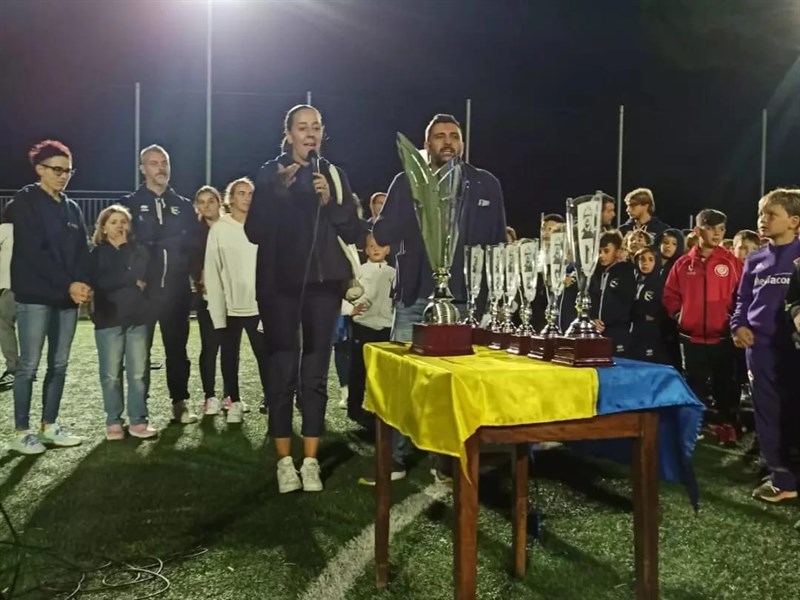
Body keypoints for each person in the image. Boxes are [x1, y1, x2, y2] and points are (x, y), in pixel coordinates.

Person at [371, 113, 507, 482]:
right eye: (439, 136)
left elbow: (496, 244)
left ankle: (447, 457)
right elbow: (383, 232)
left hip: (464, 298)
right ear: (426, 144)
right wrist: (412, 201)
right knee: (402, 379)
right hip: (415, 295)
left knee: (455, 384)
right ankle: (396, 458)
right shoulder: (405, 181)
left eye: (454, 136)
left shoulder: (485, 184)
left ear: (462, 143)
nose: (448, 142)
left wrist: (491, 296)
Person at [245, 104, 362, 493]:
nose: (309, 134)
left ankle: (310, 460)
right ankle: (284, 461)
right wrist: (277, 192)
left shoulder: (332, 173)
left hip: (324, 285)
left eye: (315, 127)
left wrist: (331, 201)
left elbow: (353, 227)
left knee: (315, 373)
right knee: (282, 371)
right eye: (302, 127)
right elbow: (255, 231)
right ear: (289, 134)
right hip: (279, 286)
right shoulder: (269, 172)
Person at [5, 140, 90, 454]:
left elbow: (82, 250)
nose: (64, 175)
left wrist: (81, 282)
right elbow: (32, 251)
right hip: (35, 295)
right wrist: (69, 284)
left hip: (66, 297)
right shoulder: (25, 201)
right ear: (39, 169)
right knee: (29, 365)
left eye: (68, 170)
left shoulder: (72, 206)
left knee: (60, 364)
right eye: (57, 169)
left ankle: (49, 425)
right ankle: (22, 431)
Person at [121, 145, 199, 424]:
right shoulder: (129, 203)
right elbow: (123, 246)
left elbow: (194, 244)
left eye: (164, 162)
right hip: (143, 294)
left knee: (177, 352)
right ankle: (138, 410)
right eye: (153, 163)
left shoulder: (183, 205)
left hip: (176, 293)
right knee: (138, 354)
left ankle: (180, 403)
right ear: (143, 169)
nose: (161, 168)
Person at [733, 189, 800, 502]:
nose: (763, 219)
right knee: (768, 412)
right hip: (760, 348)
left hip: (794, 347)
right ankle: (782, 479)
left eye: (771, 214)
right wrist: (739, 324)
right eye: (761, 213)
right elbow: (743, 299)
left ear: (794, 221)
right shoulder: (756, 258)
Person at [663, 209, 742, 437]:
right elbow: (670, 295)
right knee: (693, 385)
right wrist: (680, 316)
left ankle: (727, 426)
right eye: (711, 227)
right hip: (691, 338)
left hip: (723, 338)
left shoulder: (732, 263)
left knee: (724, 386)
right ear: (698, 230)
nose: (717, 233)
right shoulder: (682, 264)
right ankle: (691, 427)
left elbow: (743, 296)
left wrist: (732, 320)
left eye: (721, 229)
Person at [89, 205, 156, 441]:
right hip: (108, 319)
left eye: (124, 221)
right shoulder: (96, 254)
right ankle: (113, 422)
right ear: (104, 228)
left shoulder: (138, 250)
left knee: (138, 374)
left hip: (138, 318)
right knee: (110, 375)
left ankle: (138, 420)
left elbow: (142, 271)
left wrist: (127, 265)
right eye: (114, 221)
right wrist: (129, 279)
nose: (119, 226)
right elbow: (102, 281)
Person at [204, 177, 268, 425]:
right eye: (241, 193)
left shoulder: (263, 226)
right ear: (231, 199)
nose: (246, 197)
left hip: (259, 305)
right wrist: (217, 309)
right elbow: (212, 269)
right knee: (229, 357)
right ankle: (235, 402)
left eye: (250, 193)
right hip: (231, 307)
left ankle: (271, 397)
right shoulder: (220, 228)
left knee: (265, 355)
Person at [345, 234, 395, 430]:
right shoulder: (359, 270)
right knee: (359, 368)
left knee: (382, 371)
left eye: (380, 246)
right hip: (363, 327)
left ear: (388, 249)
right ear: (366, 250)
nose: (375, 249)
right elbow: (350, 291)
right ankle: (355, 408)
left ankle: (379, 408)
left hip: (385, 328)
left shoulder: (393, 272)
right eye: (371, 246)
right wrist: (354, 308)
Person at [589, 230, 635, 356]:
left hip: (619, 333)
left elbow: (628, 303)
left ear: (618, 251)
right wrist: (592, 319)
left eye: (606, 251)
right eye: (599, 251)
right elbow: (591, 299)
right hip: (595, 331)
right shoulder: (594, 273)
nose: (601, 256)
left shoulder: (627, 271)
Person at [629, 247, 668, 363]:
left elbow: (661, 309)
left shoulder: (660, 283)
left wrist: (651, 316)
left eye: (651, 259)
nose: (646, 263)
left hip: (652, 333)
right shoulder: (634, 282)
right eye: (642, 259)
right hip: (634, 331)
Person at [0, 217, 18, 388]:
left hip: (11, 285)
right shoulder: (40, 226)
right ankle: (25, 369)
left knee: (5, 324)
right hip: (38, 286)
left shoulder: (6, 228)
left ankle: (14, 369)